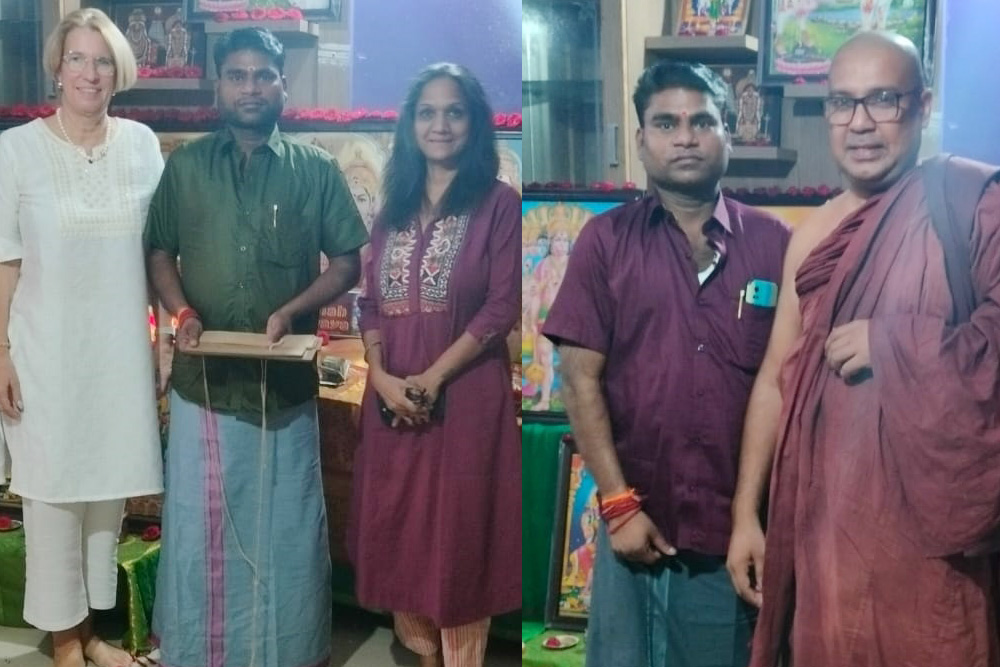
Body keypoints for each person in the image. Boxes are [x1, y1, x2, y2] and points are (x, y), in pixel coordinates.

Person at [726, 31, 1000, 667]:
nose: (861, 123)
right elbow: (774, 379)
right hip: (827, 536)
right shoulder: (812, 235)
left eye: (883, 99)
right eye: (843, 103)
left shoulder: (971, 204)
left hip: (933, 547)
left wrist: (894, 344)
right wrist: (745, 514)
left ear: (922, 105)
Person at [542, 59, 789, 667]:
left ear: (729, 133)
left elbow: (785, 384)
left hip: (738, 534)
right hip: (637, 527)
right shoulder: (606, 242)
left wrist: (749, 517)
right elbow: (579, 378)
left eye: (702, 121)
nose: (685, 137)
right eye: (666, 123)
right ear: (640, 139)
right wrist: (618, 503)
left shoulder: (775, 245)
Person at [143, 27, 367, 667]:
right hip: (204, 388)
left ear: (283, 86)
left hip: (282, 389)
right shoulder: (186, 167)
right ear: (218, 86)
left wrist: (292, 311)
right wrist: (183, 311)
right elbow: (159, 250)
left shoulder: (314, 169)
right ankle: (198, 653)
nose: (250, 87)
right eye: (237, 75)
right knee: (200, 529)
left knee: (286, 532)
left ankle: (287, 653)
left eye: (263, 75)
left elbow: (347, 260)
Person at [0, 8, 163, 667]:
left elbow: (159, 254)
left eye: (101, 61)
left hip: (119, 352)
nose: (89, 73)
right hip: (45, 353)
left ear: (117, 72)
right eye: (77, 59)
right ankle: (64, 641)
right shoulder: (16, 150)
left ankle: (91, 631)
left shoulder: (142, 144)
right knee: (53, 494)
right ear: (57, 69)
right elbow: (5, 260)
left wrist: (164, 342)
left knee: (106, 494)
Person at [348, 62, 521, 667]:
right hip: (392, 402)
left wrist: (431, 378)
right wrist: (381, 377)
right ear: (410, 124)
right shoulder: (392, 210)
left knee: (460, 542)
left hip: (465, 402)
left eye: (454, 112)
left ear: (475, 123)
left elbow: (502, 304)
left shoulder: (499, 204)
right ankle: (425, 658)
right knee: (402, 537)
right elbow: (370, 302)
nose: (440, 125)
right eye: (427, 113)